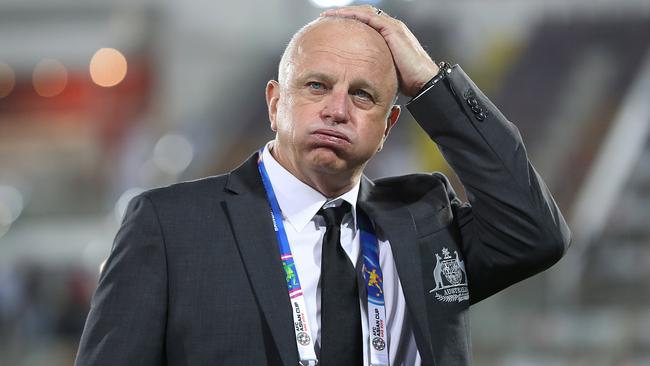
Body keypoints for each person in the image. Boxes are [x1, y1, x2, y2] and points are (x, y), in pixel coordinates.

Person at [75, 5, 570, 366]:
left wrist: (432, 86)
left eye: (362, 95)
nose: (337, 109)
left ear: (388, 125)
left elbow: (535, 233)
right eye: (316, 86)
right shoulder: (170, 226)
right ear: (274, 103)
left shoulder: (424, 219)